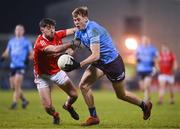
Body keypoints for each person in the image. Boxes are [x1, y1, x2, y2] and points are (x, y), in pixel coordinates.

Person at [63, 6, 153, 126]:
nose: (76, 22)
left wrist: (78, 64)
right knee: (84, 86)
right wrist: (65, 56)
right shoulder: (79, 31)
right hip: (100, 63)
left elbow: (95, 55)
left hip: (113, 63)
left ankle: (144, 105)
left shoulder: (93, 30)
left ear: (85, 18)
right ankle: (93, 117)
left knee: (121, 95)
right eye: (74, 20)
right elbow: (75, 46)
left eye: (78, 19)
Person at [34, 18, 81, 124]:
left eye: (53, 27)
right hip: (43, 76)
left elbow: (73, 30)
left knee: (74, 95)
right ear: (42, 30)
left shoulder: (57, 34)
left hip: (57, 71)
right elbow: (55, 49)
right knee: (48, 107)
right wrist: (72, 43)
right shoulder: (40, 43)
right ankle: (55, 115)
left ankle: (67, 106)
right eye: (48, 28)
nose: (52, 30)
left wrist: (83, 26)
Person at [0, 24, 33, 109]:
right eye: (17, 30)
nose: (18, 31)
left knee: (17, 84)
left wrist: (28, 59)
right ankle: (24, 100)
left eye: (20, 30)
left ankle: (14, 103)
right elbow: (7, 52)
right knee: (13, 87)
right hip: (13, 66)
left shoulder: (26, 42)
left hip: (21, 66)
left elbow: (32, 54)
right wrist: (2, 57)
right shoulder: (11, 41)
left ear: (23, 31)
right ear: (15, 31)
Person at [136, 36, 158, 101]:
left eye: (146, 40)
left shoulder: (153, 49)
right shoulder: (139, 48)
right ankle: (148, 95)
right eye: (144, 40)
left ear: (148, 41)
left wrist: (155, 65)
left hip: (149, 69)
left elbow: (157, 57)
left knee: (146, 85)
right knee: (142, 88)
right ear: (142, 41)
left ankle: (146, 98)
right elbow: (135, 57)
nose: (145, 41)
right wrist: (137, 59)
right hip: (140, 70)